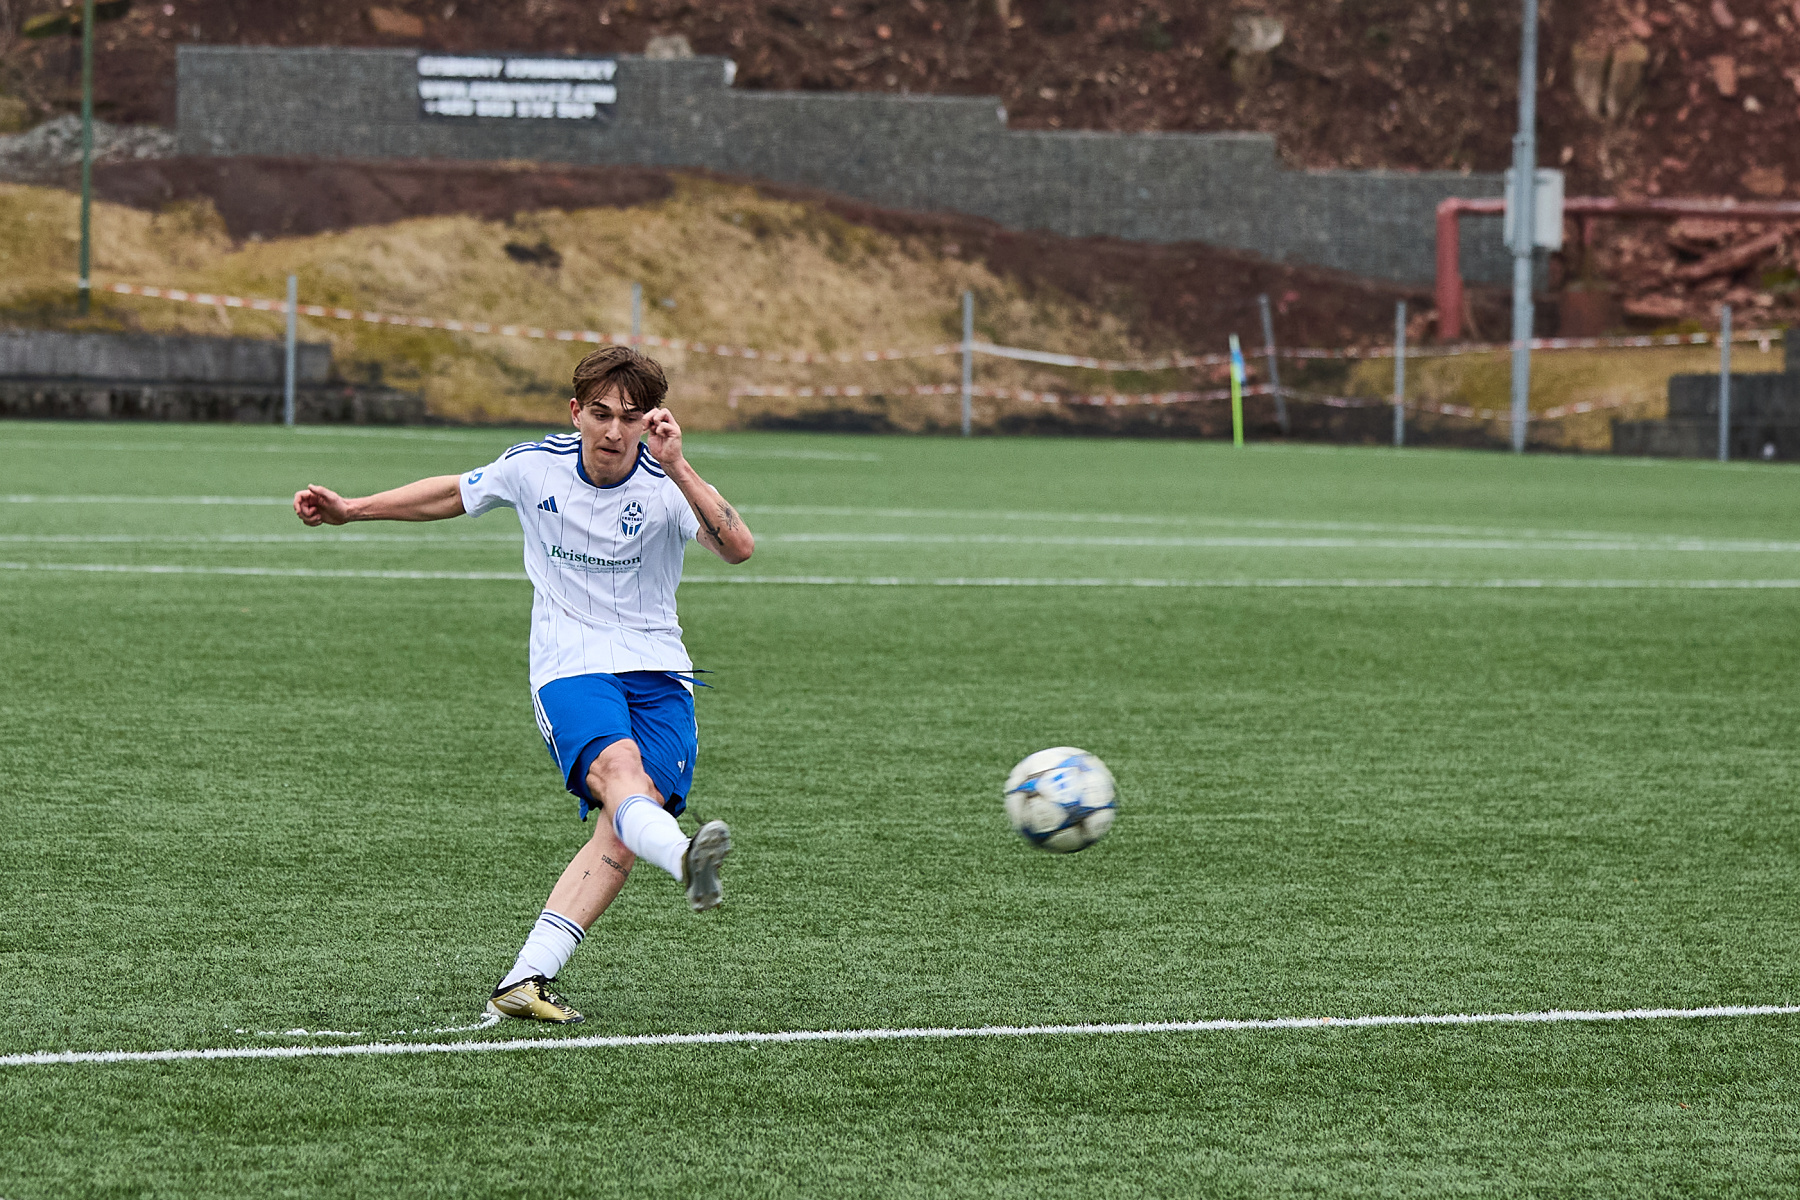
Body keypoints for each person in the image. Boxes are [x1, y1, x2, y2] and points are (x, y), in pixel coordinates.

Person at [292, 346, 754, 1024]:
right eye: (600, 413)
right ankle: (684, 858)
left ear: (652, 420)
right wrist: (351, 509)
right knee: (620, 776)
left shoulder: (667, 482)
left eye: (629, 417)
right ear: (576, 412)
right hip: (571, 665)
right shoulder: (534, 465)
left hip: (660, 670)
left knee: (625, 828)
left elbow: (738, 547)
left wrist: (679, 464)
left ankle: (524, 979)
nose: (613, 431)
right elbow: (454, 492)